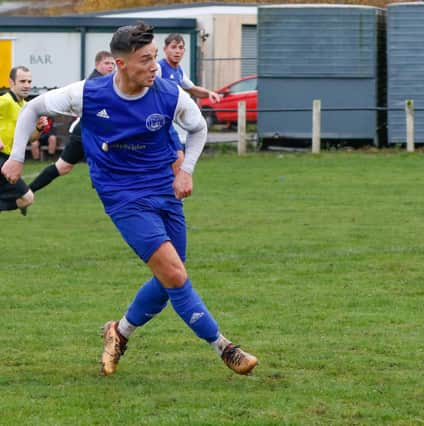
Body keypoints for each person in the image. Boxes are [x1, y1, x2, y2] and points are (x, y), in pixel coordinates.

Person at [2, 22, 258, 377]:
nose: (154, 66)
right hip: (121, 195)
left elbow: (198, 129)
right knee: (173, 273)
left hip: (163, 189)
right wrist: (16, 156)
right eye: (145, 60)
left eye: (154, 58)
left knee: (171, 280)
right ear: (121, 65)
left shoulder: (170, 94)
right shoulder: (89, 94)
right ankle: (225, 347)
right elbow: (32, 109)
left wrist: (187, 171)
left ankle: (118, 333)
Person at [29, 51, 115, 192]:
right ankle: (26, 192)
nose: (111, 66)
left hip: (93, 133)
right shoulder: (94, 83)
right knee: (63, 167)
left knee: (64, 168)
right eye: (107, 63)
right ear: (97, 64)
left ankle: (27, 192)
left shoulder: (108, 82)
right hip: (85, 133)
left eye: (112, 63)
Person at [157, 33, 220, 170]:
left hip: (168, 125)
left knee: (180, 159)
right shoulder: (159, 68)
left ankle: (172, 189)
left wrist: (209, 93)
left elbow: (192, 89)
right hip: (156, 124)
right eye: (173, 47)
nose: (177, 51)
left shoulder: (178, 70)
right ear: (165, 49)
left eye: (180, 47)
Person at [0, 66, 46, 215]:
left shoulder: (27, 107)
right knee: (27, 197)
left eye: (29, 81)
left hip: (10, 159)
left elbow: (30, 139)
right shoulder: (4, 101)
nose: (27, 85)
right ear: (11, 82)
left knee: (26, 199)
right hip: (2, 159)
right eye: (22, 81)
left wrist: (38, 129)